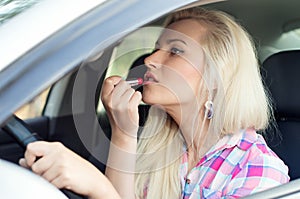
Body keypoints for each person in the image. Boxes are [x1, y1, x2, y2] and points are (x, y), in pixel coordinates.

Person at [19, 7, 289, 199]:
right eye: (156, 48)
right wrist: (123, 133)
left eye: (175, 51)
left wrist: (97, 187)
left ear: (217, 74)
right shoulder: (162, 147)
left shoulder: (259, 171)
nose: (150, 59)